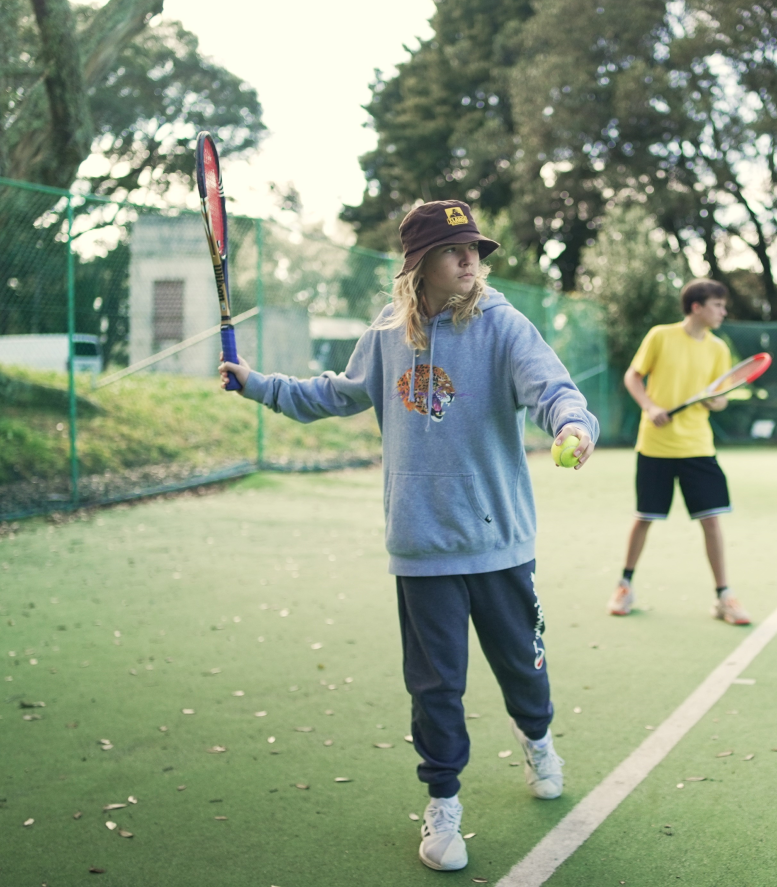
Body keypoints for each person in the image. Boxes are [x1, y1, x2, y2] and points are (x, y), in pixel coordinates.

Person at [218, 200, 598, 873]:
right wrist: (259, 386)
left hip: (500, 543)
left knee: (521, 666)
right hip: (421, 547)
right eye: (455, 251)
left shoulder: (504, 325)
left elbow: (553, 390)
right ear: (419, 264)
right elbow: (334, 395)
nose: (470, 260)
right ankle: (444, 803)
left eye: (475, 249)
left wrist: (573, 426)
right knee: (434, 687)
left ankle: (538, 738)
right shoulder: (390, 332)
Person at [606, 278, 750, 626]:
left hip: (698, 447)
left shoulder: (718, 349)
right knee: (644, 518)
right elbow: (633, 377)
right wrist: (649, 406)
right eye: (717, 305)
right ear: (696, 307)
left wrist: (718, 401)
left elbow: (720, 395)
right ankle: (624, 585)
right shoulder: (660, 336)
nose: (723, 311)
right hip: (655, 446)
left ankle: (723, 598)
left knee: (711, 520)